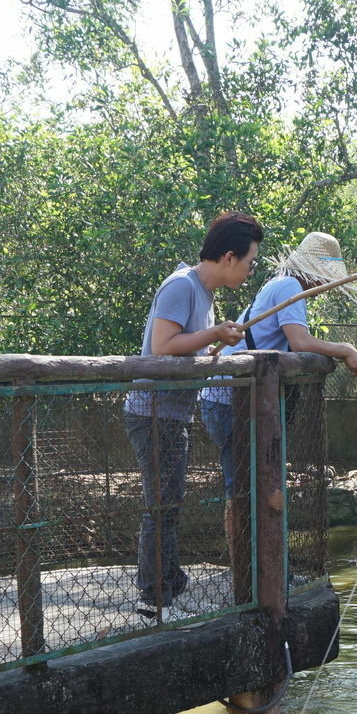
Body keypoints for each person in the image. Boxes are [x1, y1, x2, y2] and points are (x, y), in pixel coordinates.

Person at [126, 212, 259, 611]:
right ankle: (153, 595)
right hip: (152, 413)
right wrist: (215, 334)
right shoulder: (181, 286)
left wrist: (213, 344)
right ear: (230, 257)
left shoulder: (204, 294)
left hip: (171, 415)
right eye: (251, 262)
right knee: (161, 505)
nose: (250, 271)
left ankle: (167, 581)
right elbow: (163, 345)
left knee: (169, 503)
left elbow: (186, 347)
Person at [199, 231, 357, 504]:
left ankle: (257, 544)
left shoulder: (281, 284)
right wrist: (345, 349)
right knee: (245, 488)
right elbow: (299, 341)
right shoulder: (290, 287)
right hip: (228, 399)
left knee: (256, 484)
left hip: (232, 397)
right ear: (314, 271)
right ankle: (248, 545)